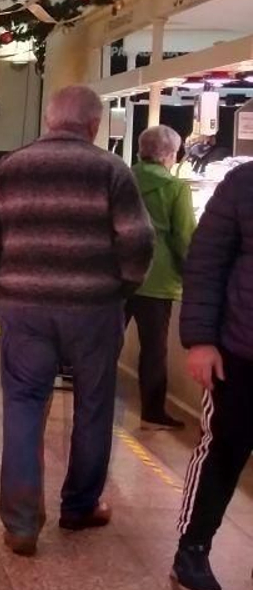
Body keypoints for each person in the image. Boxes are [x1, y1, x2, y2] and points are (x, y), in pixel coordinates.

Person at [0, 85, 155, 557]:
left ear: (50, 120)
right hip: (94, 309)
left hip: (25, 308)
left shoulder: (10, 168)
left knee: (24, 407)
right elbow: (138, 242)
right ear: (93, 125)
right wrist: (121, 288)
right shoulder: (112, 170)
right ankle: (79, 506)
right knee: (94, 407)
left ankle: (21, 525)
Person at [171, 159, 253, 590]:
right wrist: (201, 340)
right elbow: (205, 264)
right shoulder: (243, 184)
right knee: (221, 450)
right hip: (239, 352)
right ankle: (193, 547)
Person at [127, 125, 196, 432]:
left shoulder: (123, 179)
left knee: (105, 341)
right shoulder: (176, 188)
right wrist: (194, 273)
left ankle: (92, 399)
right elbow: (184, 237)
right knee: (154, 349)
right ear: (170, 154)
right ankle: (152, 412)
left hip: (118, 272)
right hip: (158, 277)